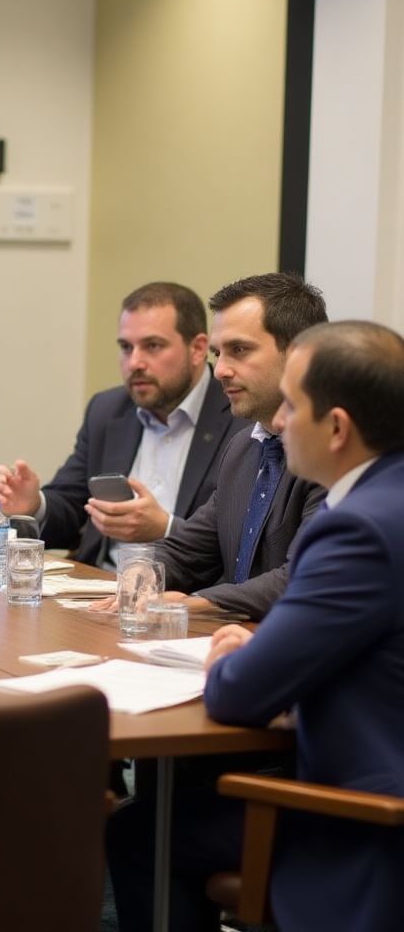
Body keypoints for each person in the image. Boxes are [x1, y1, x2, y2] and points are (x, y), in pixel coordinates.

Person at [108, 320, 404, 932]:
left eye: (292, 406)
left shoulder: (356, 528)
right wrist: (268, 644)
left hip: (366, 818)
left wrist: (236, 658)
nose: (279, 421)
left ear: (337, 428)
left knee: (141, 831)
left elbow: (239, 693)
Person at [0, 282, 245, 566]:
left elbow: (241, 547)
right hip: (103, 582)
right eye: (126, 347)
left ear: (197, 349)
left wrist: (166, 530)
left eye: (153, 346)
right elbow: (72, 506)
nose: (135, 362)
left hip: (189, 589)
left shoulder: (240, 416)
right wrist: (34, 506)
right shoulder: (107, 410)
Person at [136, 272, 329, 619]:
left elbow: (305, 576)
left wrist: (195, 603)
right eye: (217, 353)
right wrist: (144, 573)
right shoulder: (242, 447)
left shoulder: (334, 453)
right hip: (233, 638)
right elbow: (188, 551)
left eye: (239, 350)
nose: (220, 370)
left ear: (300, 353)